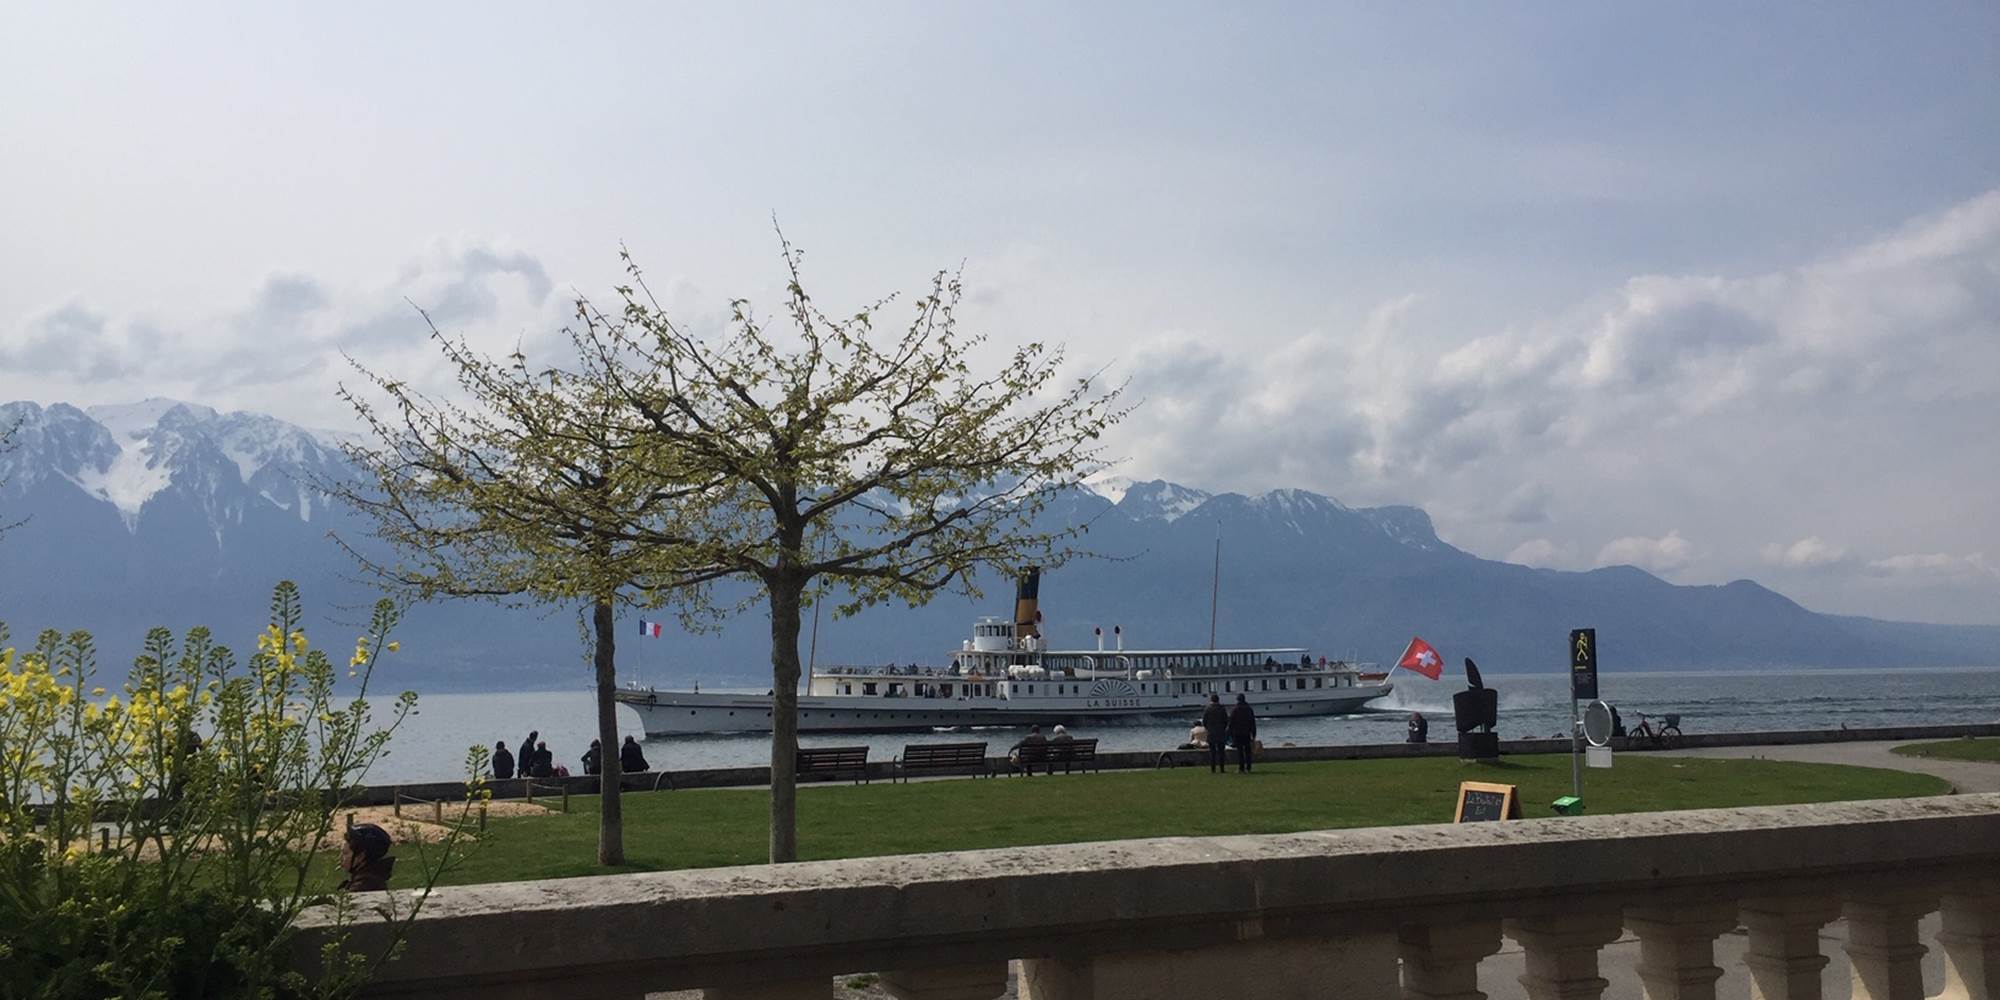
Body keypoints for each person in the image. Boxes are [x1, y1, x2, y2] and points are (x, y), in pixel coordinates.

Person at [338, 822, 395, 892]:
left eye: (345, 853)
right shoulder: (372, 879)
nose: (340, 857)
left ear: (361, 856)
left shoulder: (363, 886)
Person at [1201, 694, 1231, 774]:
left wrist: (1208, 729)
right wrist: (1223, 728)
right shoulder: (1222, 708)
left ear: (1211, 700)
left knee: (1212, 752)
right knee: (1221, 752)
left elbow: (1204, 721)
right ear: (1218, 700)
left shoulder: (1207, 709)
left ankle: (1213, 769)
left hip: (1211, 733)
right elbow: (1226, 720)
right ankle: (1222, 769)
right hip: (1221, 733)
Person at [1229, 695, 1258, 773]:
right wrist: (1254, 733)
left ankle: (1241, 768)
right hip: (1246, 732)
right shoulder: (1249, 709)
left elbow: (1231, 722)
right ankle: (1248, 767)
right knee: (1248, 751)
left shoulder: (1235, 709)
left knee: (1240, 751)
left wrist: (1229, 733)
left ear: (1237, 700)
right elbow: (1252, 722)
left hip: (1237, 733)